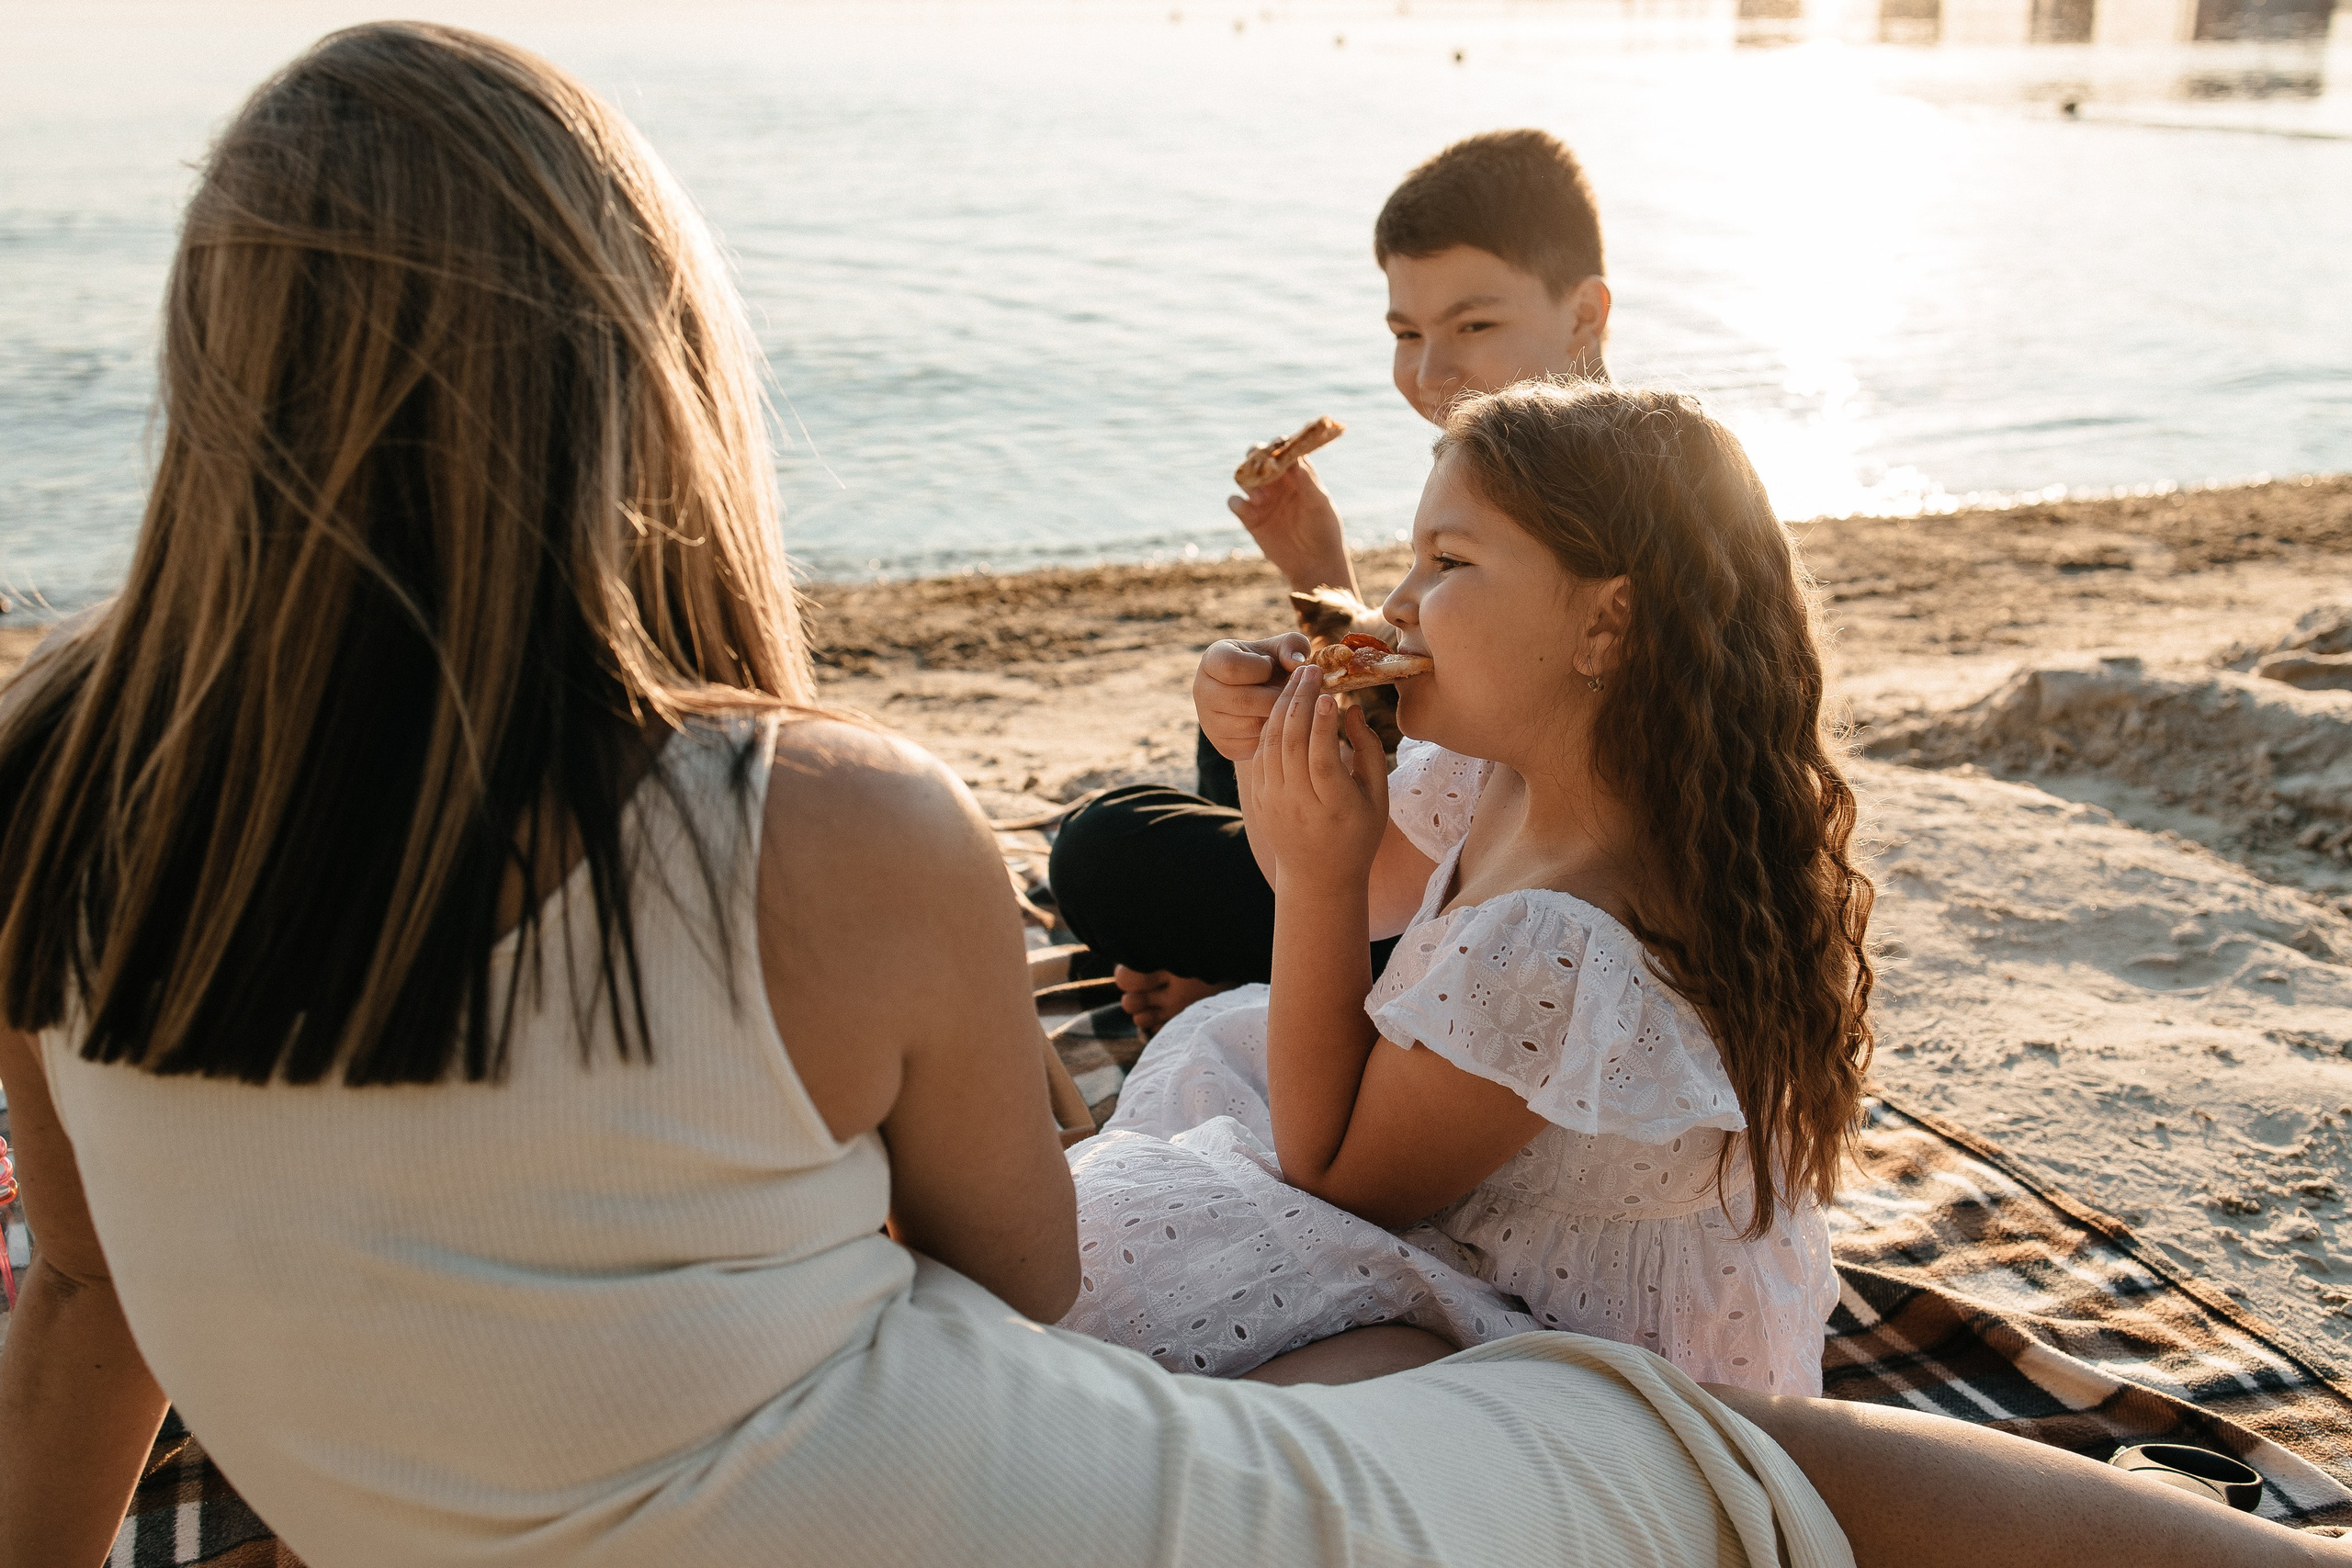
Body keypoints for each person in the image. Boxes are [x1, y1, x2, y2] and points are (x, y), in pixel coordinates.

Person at [0, 25, 2337, 1568]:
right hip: (978, 1514)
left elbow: (89, 1289)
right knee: (1723, 1460)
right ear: (642, 381)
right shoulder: (818, 821)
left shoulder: (49, 774)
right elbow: (1009, 1287)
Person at [1057, 383, 1862, 1396]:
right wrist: (1273, 767)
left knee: (1157, 1292)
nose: (1392, 604)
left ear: (1606, 624)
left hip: (1593, 1351)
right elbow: (1374, 896)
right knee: (1211, 1062)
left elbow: (1336, 1177)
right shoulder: (1494, 770)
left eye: (1448, 564)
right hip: (1460, 1217)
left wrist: (1317, 876)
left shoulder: (1564, 940)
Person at [1050, 130, 1617, 1038]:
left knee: (1099, 844)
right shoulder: (1522, 473)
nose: (1431, 371)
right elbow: (1420, 697)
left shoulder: (1582, 511)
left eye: (1473, 326)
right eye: (1405, 333)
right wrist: (1316, 569)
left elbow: (1454, 751)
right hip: (1422, 849)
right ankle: (1235, 957)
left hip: (1451, 909)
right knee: (1251, 714)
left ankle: (1245, 972)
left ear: (1584, 314)